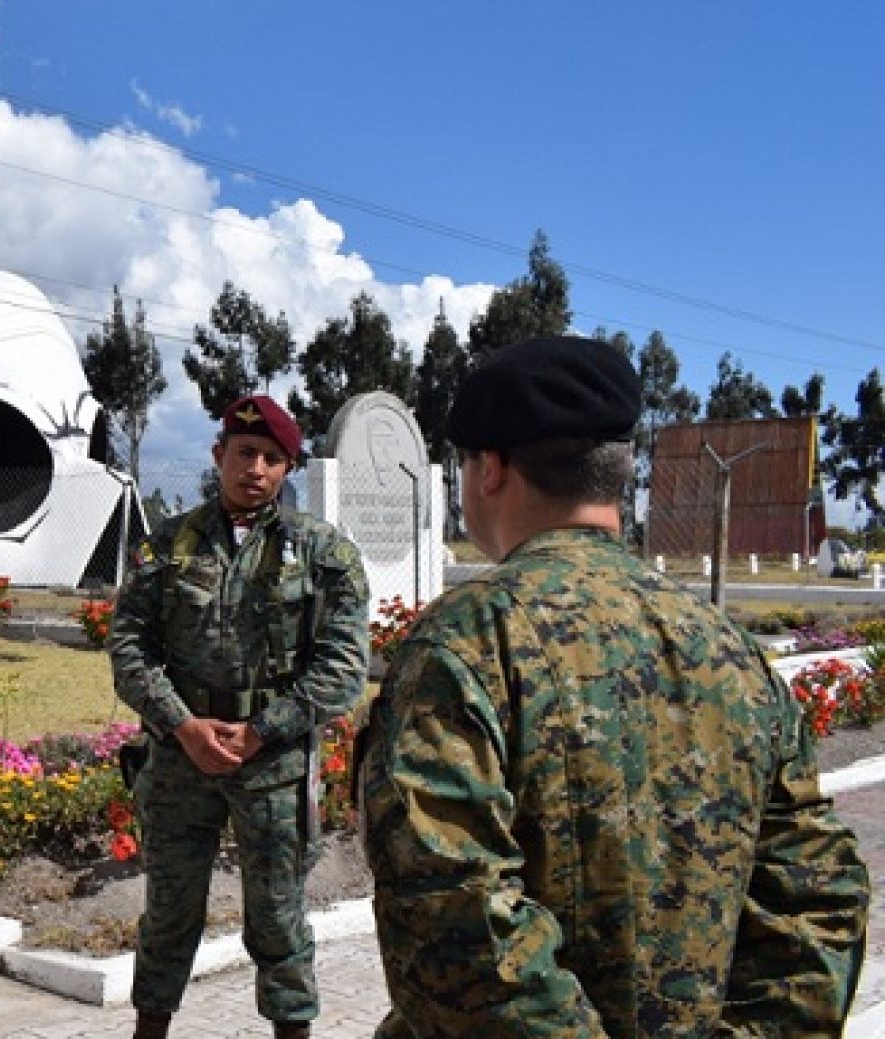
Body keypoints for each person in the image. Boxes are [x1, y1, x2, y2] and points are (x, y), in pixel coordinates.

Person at [356, 336, 871, 1037]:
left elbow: (452, 925)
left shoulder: (467, 641)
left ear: (492, 469)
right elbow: (820, 899)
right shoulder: (729, 648)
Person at [109, 394, 371, 1039]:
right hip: (179, 758)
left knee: (278, 918)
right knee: (169, 911)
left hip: (274, 764)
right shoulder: (166, 547)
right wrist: (181, 725)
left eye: (272, 458)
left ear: (288, 471)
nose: (255, 467)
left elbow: (342, 667)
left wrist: (263, 730)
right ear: (219, 454)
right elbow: (129, 650)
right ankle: (150, 1029)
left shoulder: (324, 552)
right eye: (245, 452)